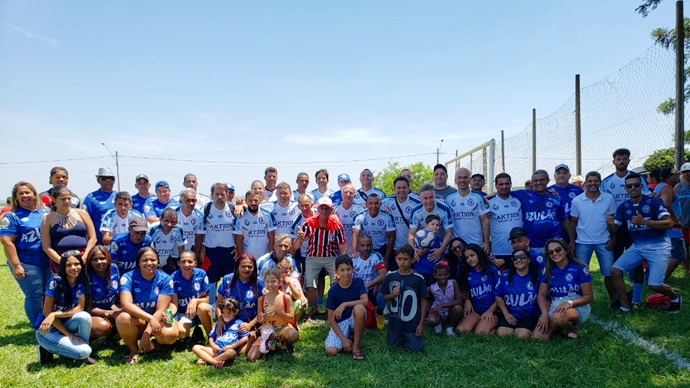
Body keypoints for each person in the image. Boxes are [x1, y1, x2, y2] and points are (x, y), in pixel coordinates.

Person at [610, 173, 682, 313]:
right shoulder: (624, 207)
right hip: (637, 247)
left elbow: (669, 222)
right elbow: (615, 228)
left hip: (658, 247)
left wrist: (645, 222)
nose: (633, 188)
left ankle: (675, 298)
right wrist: (609, 224)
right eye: (629, 186)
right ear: (625, 188)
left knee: (655, 285)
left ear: (641, 186)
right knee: (615, 271)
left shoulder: (653, 201)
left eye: (636, 185)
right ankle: (625, 306)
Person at [601, 148, 649, 306]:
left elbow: (647, 197)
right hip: (616, 228)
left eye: (624, 159)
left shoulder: (638, 179)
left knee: (636, 263)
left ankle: (636, 298)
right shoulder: (607, 182)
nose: (621, 161)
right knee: (615, 265)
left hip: (636, 226)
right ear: (613, 161)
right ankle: (617, 298)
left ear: (629, 161)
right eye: (618, 159)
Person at [116, 247, 179, 364]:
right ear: (138, 262)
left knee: (171, 334)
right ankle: (134, 350)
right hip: (138, 319)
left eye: (153, 260)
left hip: (158, 319)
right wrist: (150, 319)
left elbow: (161, 309)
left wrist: (147, 333)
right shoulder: (128, 277)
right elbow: (126, 304)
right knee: (123, 318)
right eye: (144, 260)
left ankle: (154, 344)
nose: (149, 263)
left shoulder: (165, 279)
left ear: (158, 262)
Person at [1, 181, 51, 324]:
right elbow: (7, 241)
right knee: (35, 295)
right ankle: (37, 326)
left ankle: (49, 323)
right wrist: (16, 265)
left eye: (27, 192)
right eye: (21, 193)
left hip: (47, 261)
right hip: (27, 262)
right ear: (15, 197)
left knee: (49, 294)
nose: (25, 196)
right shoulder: (11, 217)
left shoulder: (46, 212)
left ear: (35, 194)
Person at [35, 250, 95, 365]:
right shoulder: (55, 281)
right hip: (47, 331)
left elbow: (79, 308)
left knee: (84, 316)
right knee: (84, 351)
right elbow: (47, 311)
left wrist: (54, 314)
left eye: (77, 264)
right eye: (69, 265)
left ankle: (85, 351)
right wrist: (68, 333)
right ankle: (45, 348)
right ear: (63, 267)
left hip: (66, 324)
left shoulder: (82, 281)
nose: (74, 268)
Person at [294, 197, 347, 317]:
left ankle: (336, 308)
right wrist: (300, 238)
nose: (324, 210)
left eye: (326, 208)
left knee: (339, 280)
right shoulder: (308, 223)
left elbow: (343, 247)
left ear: (331, 210)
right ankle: (314, 308)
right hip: (313, 256)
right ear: (317, 208)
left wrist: (342, 265)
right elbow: (297, 245)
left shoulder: (337, 225)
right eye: (322, 208)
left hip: (331, 257)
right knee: (310, 283)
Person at [570, 171, 617, 306]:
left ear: (600, 183)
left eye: (596, 181)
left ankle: (614, 300)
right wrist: (572, 241)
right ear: (585, 183)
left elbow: (612, 221)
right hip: (583, 242)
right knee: (580, 274)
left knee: (609, 273)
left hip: (603, 241)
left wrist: (613, 238)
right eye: (590, 181)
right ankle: (580, 301)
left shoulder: (608, 198)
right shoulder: (577, 200)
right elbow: (573, 222)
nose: (593, 184)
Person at [536, 239, 593, 340]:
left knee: (557, 318)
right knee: (539, 337)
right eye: (551, 252)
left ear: (566, 250)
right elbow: (541, 295)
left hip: (577, 303)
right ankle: (561, 326)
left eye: (558, 250)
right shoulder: (547, 270)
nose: (555, 253)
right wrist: (544, 314)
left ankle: (572, 328)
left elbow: (589, 297)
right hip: (556, 304)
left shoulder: (579, 268)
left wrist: (569, 303)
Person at [510, 169, 574, 253]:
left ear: (547, 180)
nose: (539, 183)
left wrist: (572, 240)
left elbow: (564, 220)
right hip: (533, 245)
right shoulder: (525, 195)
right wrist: (490, 195)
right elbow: (504, 192)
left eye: (542, 180)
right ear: (532, 183)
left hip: (554, 244)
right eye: (536, 181)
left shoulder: (556, 197)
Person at [381, 245, 429, 352]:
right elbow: (384, 297)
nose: (402, 262)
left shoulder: (418, 278)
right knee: (393, 347)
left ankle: (410, 337)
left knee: (416, 349)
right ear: (395, 259)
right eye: (399, 259)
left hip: (412, 323)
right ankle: (400, 336)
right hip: (395, 323)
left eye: (406, 259)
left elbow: (424, 300)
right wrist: (392, 295)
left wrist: (421, 323)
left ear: (412, 260)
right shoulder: (390, 277)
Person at [41, 185, 97, 276]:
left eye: (69, 198)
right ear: (54, 200)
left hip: (83, 257)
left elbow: (93, 238)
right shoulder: (47, 219)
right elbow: (46, 246)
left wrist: (85, 257)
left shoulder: (82, 213)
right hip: (59, 259)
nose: (67, 201)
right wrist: (62, 262)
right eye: (63, 199)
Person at [247, 268, 299, 361]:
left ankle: (285, 343)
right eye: (267, 281)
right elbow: (260, 319)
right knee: (251, 357)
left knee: (293, 335)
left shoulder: (285, 297)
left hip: (282, 328)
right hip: (267, 331)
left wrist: (279, 312)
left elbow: (291, 318)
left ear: (279, 282)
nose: (270, 284)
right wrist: (262, 318)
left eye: (273, 281)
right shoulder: (261, 300)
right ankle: (270, 344)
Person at [216, 253, 264, 355]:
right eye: (243, 266)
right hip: (229, 323)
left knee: (242, 352)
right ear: (237, 267)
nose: (246, 269)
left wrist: (250, 325)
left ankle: (255, 337)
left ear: (254, 268)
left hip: (249, 324)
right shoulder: (227, 280)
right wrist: (220, 319)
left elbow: (262, 311)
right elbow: (218, 304)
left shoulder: (259, 284)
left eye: (250, 267)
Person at [323, 255, 367, 360]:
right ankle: (348, 337)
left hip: (354, 318)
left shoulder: (358, 282)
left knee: (359, 308)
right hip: (340, 322)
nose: (346, 273)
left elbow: (365, 301)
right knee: (331, 351)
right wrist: (343, 339)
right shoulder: (333, 291)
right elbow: (330, 319)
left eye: (348, 269)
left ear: (353, 269)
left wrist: (345, 304)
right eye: (342, 270)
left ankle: (356, 348)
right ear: (336, 271)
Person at [493, 248, 542, 339]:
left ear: (529, 260)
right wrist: (506, 314)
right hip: (510, 313)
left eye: (522, 257)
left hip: (530, 315)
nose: (518, 260)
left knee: (522, 336)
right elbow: (498, 295)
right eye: (515, 258)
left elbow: (543, 297)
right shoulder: (505, 275)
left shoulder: (537, 277)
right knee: (503, 334)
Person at [407, 184, 453, 274]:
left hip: (439, 247)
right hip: (422, 250)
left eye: (431, 197)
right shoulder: (416, 211)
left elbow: (448, 233)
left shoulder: (444, 209)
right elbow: (411, 233)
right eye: (425, 198)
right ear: (420, 199)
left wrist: (440, 250)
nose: (428, 201)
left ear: (434, 196)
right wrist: (413, 249)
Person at [456, 243, 500, 336]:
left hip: (493, 310)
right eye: (467, 257)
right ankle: (479, 324)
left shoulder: (492, 270)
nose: (470, 259)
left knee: (480, 333)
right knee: (462, 330)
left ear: (479, 254)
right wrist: (467, 300)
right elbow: (463, 288)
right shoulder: (466, 272)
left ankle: (493, 328)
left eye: (472, 255)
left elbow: (501, 294)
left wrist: (491, 311)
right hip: (476, 310)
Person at [203, 183, 237, 305]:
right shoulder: (207, 209)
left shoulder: (233, 209)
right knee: (212, 280)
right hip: (212, 251)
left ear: (227, 195)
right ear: (212, 195)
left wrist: (238, 247)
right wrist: (201, 248)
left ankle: (230, 305)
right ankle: (212, 306)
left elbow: (239, 229)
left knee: (231, 280)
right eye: (217, 194)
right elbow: (201, 230)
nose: (220, 197)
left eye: (222, 194)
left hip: (230, 251)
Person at [192, 297, 248, 369]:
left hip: (227, 351)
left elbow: (245, 338)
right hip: (215, 350)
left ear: (236, 312)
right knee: (195, 347)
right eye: (223, 313)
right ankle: (215, 362)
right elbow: (211, 337)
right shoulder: (220, 323)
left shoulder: (239, 324)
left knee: (231, 353)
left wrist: (232, 346)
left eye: (229, 313)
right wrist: (213, 345)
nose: (225, 316)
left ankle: (208, 360)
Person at [446, 168, 490, 254]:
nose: (462, 180)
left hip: (476, 243)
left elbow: (485, 221)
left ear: (470, 180)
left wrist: (486, 242)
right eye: (459, 178)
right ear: (455, 180)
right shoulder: (449, 199)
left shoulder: (477, 198)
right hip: (457, 245)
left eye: (465, 177)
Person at [653, 168, 687, 281]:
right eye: (674, 175)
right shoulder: (666, 188)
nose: (677, 177)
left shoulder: (659, 187)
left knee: (669, 254)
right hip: (672, 228)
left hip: (666, 227)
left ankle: (658, 278)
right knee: (679, 254)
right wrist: (674, 221)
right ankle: (661, 280)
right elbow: (666, 204)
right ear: (668, 176)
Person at [172, 251, 212, 343]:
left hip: (200, 311)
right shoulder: (173, 278)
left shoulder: (201, 274)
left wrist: (194, 301)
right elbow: (173, 302)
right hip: (183, 313)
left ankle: (211, 337)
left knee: (203, 307)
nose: (187, 264)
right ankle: (189, 336)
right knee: (181, 333)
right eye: (183, 261)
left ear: (195, 263)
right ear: (178, 263)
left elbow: (207, 299)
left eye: (190, 261)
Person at [381, 177, 421, 262]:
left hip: (412, 248)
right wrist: (383, 211)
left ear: (408, 188)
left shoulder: (416, 204)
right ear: (394, 189)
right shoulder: (386, 202)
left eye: (404, 187)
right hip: (393, 248)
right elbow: (372, 207)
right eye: (399, 188)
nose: (401, 190)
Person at [487, 173, 523, 269]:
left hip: (519, 250)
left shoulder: (518, 200)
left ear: (511, 184)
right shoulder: (489, 203)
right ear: (496, 186)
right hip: (499, 251)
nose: (504, 186)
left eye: (507, 184)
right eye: (501, 184)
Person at [85, 245, 121, 341]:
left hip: (110, 306)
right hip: (92, 312)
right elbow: (87, 308)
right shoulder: (86, 276)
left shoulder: (114, 268)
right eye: (95, 259)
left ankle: (108, 338)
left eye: (102, 258)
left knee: (127, 315)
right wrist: (109, 313)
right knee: (103, 327)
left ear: (108, 259)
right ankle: (80, 343)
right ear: (90, 261)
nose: (99, 262)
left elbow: (118, 293)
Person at [352, 234, 387, 328]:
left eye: (368, 245)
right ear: (358, 246)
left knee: (384, 286)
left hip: (372, 289)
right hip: (357, 290)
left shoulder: (376, 256)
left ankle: (380, 314)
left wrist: (367, 286)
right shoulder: (352, 258)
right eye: (362, 245)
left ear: (372, 245)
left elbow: (383, 274)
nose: (365, 248)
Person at [352, 193, 395, 267]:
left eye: (376, 203)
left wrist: (387, 257)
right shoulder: (360, 217)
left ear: (380, 204)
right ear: (366, 204)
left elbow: (391, 238)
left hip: (381, 248)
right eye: (370, 203)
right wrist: (354, 251)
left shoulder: (387, 218)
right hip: (365, 248)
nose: (373, 206)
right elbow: (355, 235)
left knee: (381, 272)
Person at [234, 189, 276, 259]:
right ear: (246, 201)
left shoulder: (267, 215)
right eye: (250, 200)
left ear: (259, 200)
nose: (253, 203)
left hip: (264, 256)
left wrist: (270, 254)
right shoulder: (240, 217)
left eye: (256, 200)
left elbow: (271, 236)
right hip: (248, 257)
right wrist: (242, 257)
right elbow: (238, 239)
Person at [426, 262, 462, 336]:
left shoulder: (453, 283)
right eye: (439, 275)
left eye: (445, 274)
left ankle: (450, 326)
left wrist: (442, 305)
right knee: (431, 320)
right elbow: (421, 293)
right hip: (437, 311)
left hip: (450, 310)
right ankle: (439, 324)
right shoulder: (432, 287)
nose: (443, 277)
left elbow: (459, 300)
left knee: (458, 308)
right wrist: (428, 303)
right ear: (435, 275)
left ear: (448, 274)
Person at [83, 167, 117, 244]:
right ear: (98, 180)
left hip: (116, 240)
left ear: (114, 180)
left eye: (111, 178)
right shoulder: (91, 197)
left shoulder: (119, 196)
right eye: (104, 178)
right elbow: (85, 220)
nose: (108, 181)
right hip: (98, 240)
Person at [149, 208, 186, 273]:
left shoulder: (178, 229)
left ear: (176, 222)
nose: (169, 224)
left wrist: (182, 266)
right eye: (166, 220)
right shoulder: (153, 229)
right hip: (151, 263)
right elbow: (148, 249)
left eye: (172, 221)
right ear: (160, 219)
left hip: (164, 263)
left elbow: (181, 250)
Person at [333, 184, 365, 255]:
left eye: (351, 193)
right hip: (336, 251)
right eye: (345, 192)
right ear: (341, 194)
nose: (348, 194)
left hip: (354, 251)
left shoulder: (360, 209)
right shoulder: (334, 209)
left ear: (355, 196)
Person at [412, 215, 443, 285]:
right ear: (426, 225)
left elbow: (442, 255)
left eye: (437, 225)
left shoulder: (439, 241)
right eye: (432, 224)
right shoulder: (419, 238)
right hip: (419, 271)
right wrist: (420, 254)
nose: (435, 226)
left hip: (433, 273)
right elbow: (412, 260)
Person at [176, 188, 205, 263]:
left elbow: (198, 238)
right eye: (187, 201)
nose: (191, 203)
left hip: (190, 252)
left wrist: (195, 257)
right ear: (181, 202)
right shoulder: (174, 214)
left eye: (193, 200)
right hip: (174, 254)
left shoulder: (199, 216)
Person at [276, 257, 308, 322]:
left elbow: (298, 297)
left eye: (286, 272)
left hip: (290, 304)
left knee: (300, 302)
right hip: (279, 305)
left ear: (290, 271)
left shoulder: (293, 281)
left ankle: (294, 322)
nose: (284, 274)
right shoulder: (276, 281)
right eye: (281, 272)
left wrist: (290, 285)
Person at [675, 162, 690, 277]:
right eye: (684, 172)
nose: (687, 174)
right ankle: (687, 271)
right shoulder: (678, 187)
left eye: (689, 171)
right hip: (683, 223)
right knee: (685, 249)